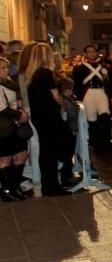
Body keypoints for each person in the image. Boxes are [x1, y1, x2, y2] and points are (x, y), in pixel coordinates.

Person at [24, 43, 74, 196]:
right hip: (50, 117)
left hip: (40, 117)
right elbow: (56, 96)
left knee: (46, 151)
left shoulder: (33, 74)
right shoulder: (46, 73)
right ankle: (53, 185)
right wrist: (63, 107)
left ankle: (50, 184)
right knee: (59, 146)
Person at [72, 44, 112, 154]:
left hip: (100, 92)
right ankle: (95, 143)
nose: (91, 54)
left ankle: (106, 141)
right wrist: (79, 97)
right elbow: (77, 84)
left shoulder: (103, 66)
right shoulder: (79, 68)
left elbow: (109, 83)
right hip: (88, 93)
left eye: (93, 51)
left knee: (105, 117)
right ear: (85, 54)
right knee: (91, 120)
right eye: (89, 52)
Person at [0, 56, 31, 199]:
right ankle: (7, 191)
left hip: (15, 124)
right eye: (2, 68)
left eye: (6, 67)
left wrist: (20, 110)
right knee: (5, 159)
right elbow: (2, 109)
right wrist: (19, 114)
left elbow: (16, 99)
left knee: (22, 154)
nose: (6, 70)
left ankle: (15, 186)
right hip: (4, 126)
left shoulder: (8, 83)